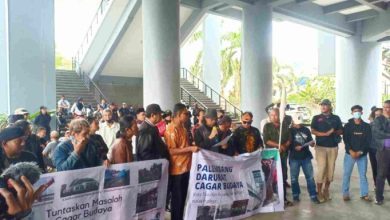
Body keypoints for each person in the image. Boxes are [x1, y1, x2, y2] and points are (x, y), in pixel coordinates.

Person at [164, 103, 199, 220]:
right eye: (186, 114)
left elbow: (183, 145)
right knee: (177, 201)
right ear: (178, 114)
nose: (188, 116)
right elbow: (171, 151)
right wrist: (189, 148)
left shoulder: (183, 127)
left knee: (183, 199)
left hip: (186, 167)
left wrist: (191, 146)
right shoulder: (171, 129)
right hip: (177, 170)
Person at [310, 99, 343, 202]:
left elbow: (341, 131)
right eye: (322, 105)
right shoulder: (316, 118)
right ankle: (319, 191)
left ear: (330, 106)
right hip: (320, 147)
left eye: (325, 105)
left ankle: (326, 190)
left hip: (333, 147)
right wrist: (325, 134)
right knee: (322, 169)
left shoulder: (336, 118)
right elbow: (313, 130)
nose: (323, 107)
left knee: (330, 170)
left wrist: (335, 131)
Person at [263, 108, 292, 207]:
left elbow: (289, 139)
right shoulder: (267, 126)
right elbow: (266, 140)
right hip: (272, 156)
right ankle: (272, 199)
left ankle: (283, 199)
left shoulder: (284, 126)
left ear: (279, 115)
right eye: (272, 115)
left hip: (283, 155)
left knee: (282, 176)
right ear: (269, 116)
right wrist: (278, 146)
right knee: (272, 177)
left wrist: (285, 146)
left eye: (276, 115)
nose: (274, 117)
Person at [342, 105, 372, 202]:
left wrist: (360, 152)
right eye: (355, 111)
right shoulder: (347, 126)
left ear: (362, 113)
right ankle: (345, 193)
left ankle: (364, 194)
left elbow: (368, 141)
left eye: (359, 111)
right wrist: (351, 151)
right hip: (349, 154)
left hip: (362, 155)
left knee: (363, 175)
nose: (357, 113)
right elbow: (346, 140)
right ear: (351, 113)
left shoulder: (367, 126)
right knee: (347, 174)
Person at [288, 116, 319, 203]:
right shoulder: (290, 130)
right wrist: (294, 147)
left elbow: (310, 141)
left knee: (310, 177)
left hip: (306, 157)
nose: (298, 125)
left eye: (299, 124)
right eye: (296, 124)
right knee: (294, 178)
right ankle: (295, 195)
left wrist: (312, 143)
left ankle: (313, 195)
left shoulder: (306, 129)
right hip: (294, 157)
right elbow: (287, 143)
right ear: (293, 122)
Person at [371, 100, 390, 205]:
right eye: (385, 107)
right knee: (381, 173)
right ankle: (379, 197)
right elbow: (377, 133)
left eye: (389, 107)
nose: (387, 109)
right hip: (383, 151)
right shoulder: (378, 120)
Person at [367, 107, 390, 187]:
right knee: (375, 168)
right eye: (376, 115)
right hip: (373, 149)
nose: (378, 117)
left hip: (385, 149)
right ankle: (377, 186)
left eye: (380, 115)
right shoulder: (370, 126)